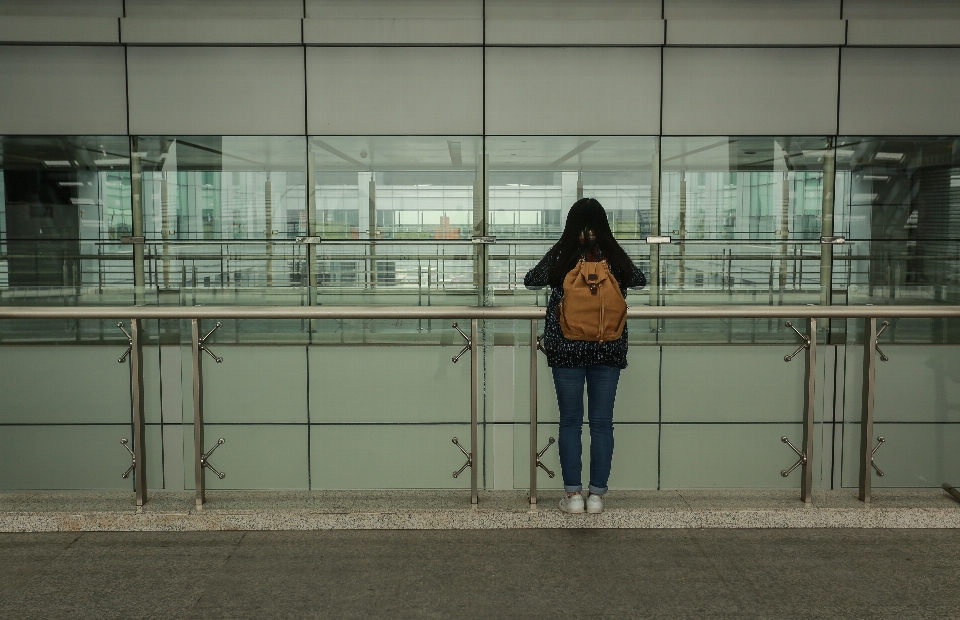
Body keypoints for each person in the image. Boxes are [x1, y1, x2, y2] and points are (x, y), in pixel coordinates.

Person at [524, 198, 646, 514]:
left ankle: (573, 496)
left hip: (566, 346)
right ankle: (597, 497)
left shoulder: (564, 254)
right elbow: (638, 278)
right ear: (603, 224)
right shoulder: (613, 255)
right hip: (609, 346)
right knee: (602, 423)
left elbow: (532, 278)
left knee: (570, 421)